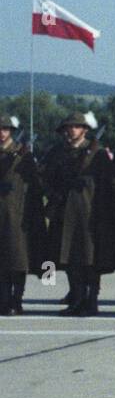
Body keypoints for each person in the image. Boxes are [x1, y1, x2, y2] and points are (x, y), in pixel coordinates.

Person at [43, 112, 115, 316]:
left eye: (76, 127)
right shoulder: (57, 153)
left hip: (90, 212)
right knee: (69, 259)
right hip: (65, 211)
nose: (71, 130)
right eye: (68, 127)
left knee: (90, 260)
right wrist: (55, 193)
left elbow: (109, 182)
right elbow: (46, 178)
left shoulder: (97, 153)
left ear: (84, 130)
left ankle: (91, 300)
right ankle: (76, 298)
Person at [0, 116, 43, 316]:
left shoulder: (21, 153)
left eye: (5, 129)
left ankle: (16, 299)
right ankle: (4, 298)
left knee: (17, 260)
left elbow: (34, 185)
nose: (2, 133)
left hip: (17, 213)